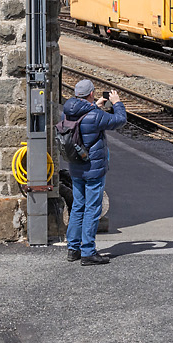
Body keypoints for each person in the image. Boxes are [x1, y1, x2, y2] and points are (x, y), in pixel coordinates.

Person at [60, 77, 126, 264]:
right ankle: (88, 251)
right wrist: (117, 103)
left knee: (78, 207)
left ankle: (73, 248)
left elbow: (84, 119)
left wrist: (94, 106)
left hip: (76, 167)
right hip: (93, 169)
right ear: (91, 93)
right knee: (92, 208)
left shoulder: (66, 112)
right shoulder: (95, 116)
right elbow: (120, 120)